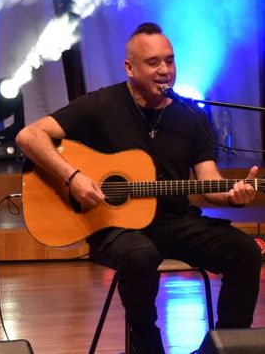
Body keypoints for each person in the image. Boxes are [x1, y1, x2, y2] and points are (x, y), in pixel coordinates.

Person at [16, 22, 262, 353]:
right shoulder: (101, 105)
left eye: (169, 60)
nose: (165, 70)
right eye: (153, 62)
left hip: (175, 222)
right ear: (130, 68)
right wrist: (72, 177)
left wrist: (235, 195)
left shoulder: (192, 115)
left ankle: (225, 346)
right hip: (114, 226)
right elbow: (29, 136)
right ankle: (145, 343)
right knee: (141, 256)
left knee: (245, 251)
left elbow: (211, 183)